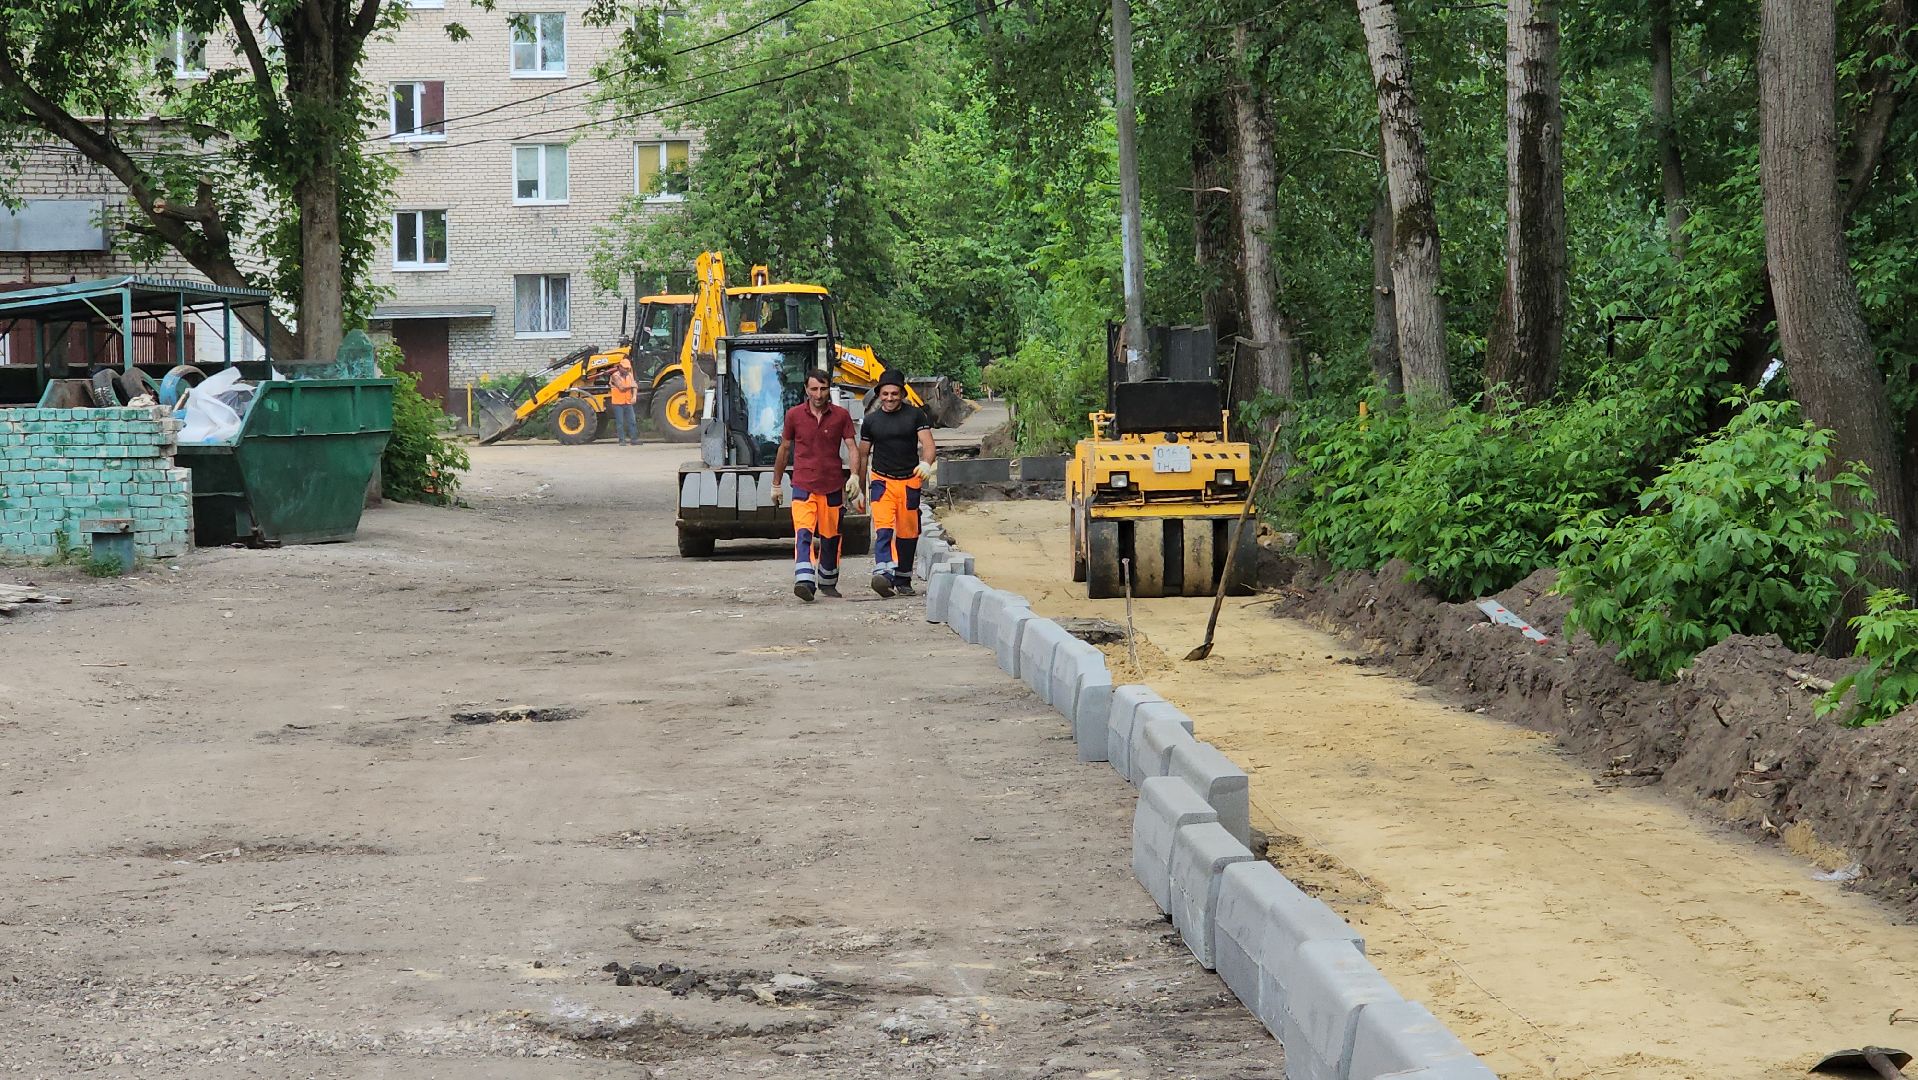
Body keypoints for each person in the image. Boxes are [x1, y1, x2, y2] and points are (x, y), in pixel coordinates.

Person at [770, 370, 861, 602]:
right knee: (803, 533)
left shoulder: (841, 416)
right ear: (806, 390)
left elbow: (852, 447)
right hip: (803, 484)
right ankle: (804, 581)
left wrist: (854, 476)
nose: (818, 394)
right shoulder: (794, 416)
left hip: (832, 486)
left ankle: (828, 582)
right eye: (813, 389)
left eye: (822, 389)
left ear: (829, 388)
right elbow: (784, 449)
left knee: (831, 537)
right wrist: (776, 483)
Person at [857, 370, 936, 597]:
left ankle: (902, 578)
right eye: (885, 394)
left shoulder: (915, 416)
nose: (890, 398)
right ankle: (883, 572)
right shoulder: (871, 421)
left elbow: (928, 444)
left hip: (910, 480)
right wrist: (860, 488)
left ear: (902, 393)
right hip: (882, 481)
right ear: (878, 394)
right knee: (884, 528)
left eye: (894, 393)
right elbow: (863, 455)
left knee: (908, 533)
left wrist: (926, 463)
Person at [608, 358, 640, 445]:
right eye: (625, 368)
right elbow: (621, 388)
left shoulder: (629, 375)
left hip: (628, 402)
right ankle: (622, 440)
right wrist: (632, 385)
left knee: (632, 421)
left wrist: (634, 396)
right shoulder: (615, 376)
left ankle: (634, 439)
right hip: (617, 403)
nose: (627, 370)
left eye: (628, 368)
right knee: (620, 422)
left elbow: (635, 386)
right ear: (620, 367)